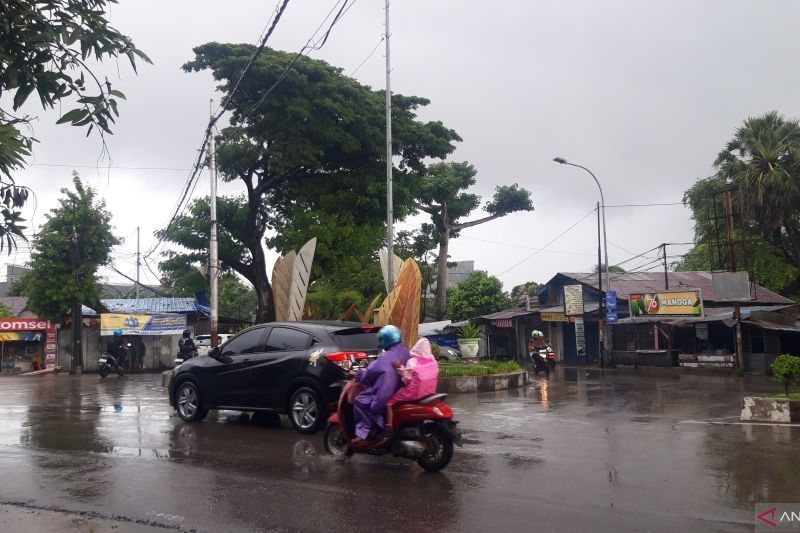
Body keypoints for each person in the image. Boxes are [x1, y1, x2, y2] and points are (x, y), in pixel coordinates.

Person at [351, 325, 410, 442]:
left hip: (384, 396)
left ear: (386, 339)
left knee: (359, 401)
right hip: (401, 393)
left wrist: (357, 374)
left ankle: (364, 433)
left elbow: (367, 377)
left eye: (381, 339)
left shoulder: (383, 357)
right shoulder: (407, 352)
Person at [385, 337, 440, 429]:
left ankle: (389, 426)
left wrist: (399, 367)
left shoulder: (413, 362)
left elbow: (406, 379)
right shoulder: (433, 361)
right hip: (429, 392)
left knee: (388, 403)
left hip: (413, 393)